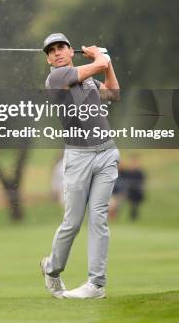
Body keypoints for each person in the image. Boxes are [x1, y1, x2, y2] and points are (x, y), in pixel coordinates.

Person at [40, 33, 120, 300]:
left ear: (71, 51)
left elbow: (113, 94)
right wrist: (100, 57)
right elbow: (97, 65)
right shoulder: (56, 78)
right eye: (51, 51)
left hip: (106, 152)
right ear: (49, 60)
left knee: (99, 218)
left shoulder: (88, 82)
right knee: (72, 222)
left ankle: (96, 285)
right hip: (78, 157)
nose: (57, 53)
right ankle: (52, 269)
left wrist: (107, 63)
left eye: (61, 47)